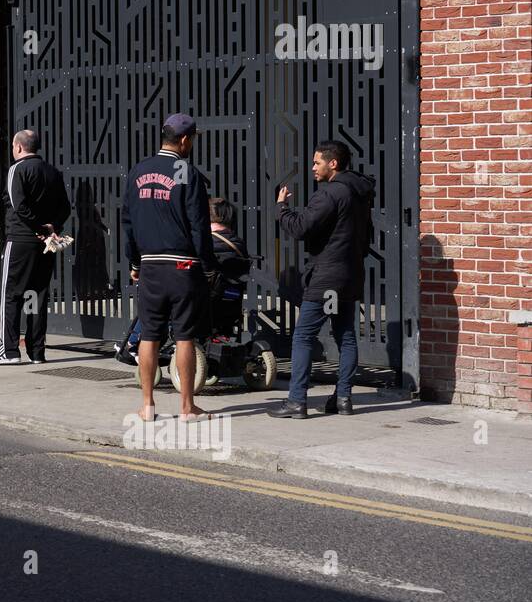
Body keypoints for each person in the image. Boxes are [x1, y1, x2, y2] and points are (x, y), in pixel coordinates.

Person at [121, 113, 219, 420]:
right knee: (184, 337)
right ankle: (187, 407)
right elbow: (199, 226)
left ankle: (148, 405)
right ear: (185, 140)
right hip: (182, 265)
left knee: (149, 335)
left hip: (149, 265)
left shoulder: (139, 170)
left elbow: (128, 222)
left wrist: (134, 261)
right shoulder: (187, 172)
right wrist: (208, 266)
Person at [268, 140, 375, 419]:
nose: (313, 168)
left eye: (317, 162)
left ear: (333, 164)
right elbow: (367, 238)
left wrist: (281, 208)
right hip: (349, 276)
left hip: (326, 276)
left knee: (303, 336)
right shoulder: (361, 194)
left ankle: (296, 401)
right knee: (346, 336)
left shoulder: (330, 194)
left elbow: (301, 227)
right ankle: (343, 399)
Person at [115, 196, 249, 365]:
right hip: (227, 305)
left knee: (155, 299)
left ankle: (132, 344)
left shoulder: (205, 243)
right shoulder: (238, 245)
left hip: (195, 304)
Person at [0, 128, 71, 366]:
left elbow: (18, 206)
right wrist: (52, 227)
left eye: (13, 146)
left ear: (19, 147)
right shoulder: (52, 172)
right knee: (39, 295)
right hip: (45, 244)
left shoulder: (17, 169)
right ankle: (37, 352)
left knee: (11, 294)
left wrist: (39, 228)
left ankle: (8, 350)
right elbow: (65, 207)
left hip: (20, 240)